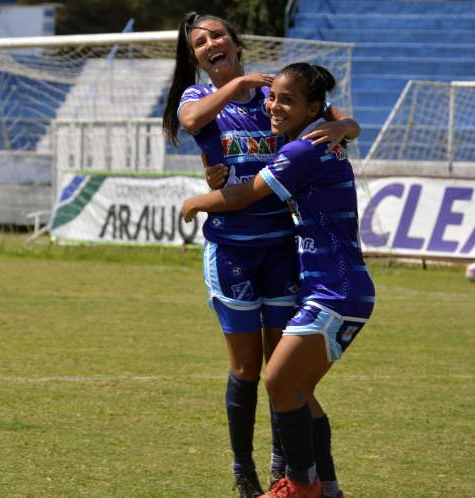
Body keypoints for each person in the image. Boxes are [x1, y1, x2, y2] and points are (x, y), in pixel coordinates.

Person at [162, 12, 359, 498]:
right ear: (196, 57)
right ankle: (243, 470)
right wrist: (241, 83)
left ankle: (284, 472)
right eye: (201, 42)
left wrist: (341, 129)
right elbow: (190, 120)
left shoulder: (279, 94)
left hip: (282, 248)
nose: (212, 44)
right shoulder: (198, 98)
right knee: (248, 370)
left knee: (281, 370)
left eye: (218, 35)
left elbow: (344, 122)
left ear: (235, 40)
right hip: (232, 251)